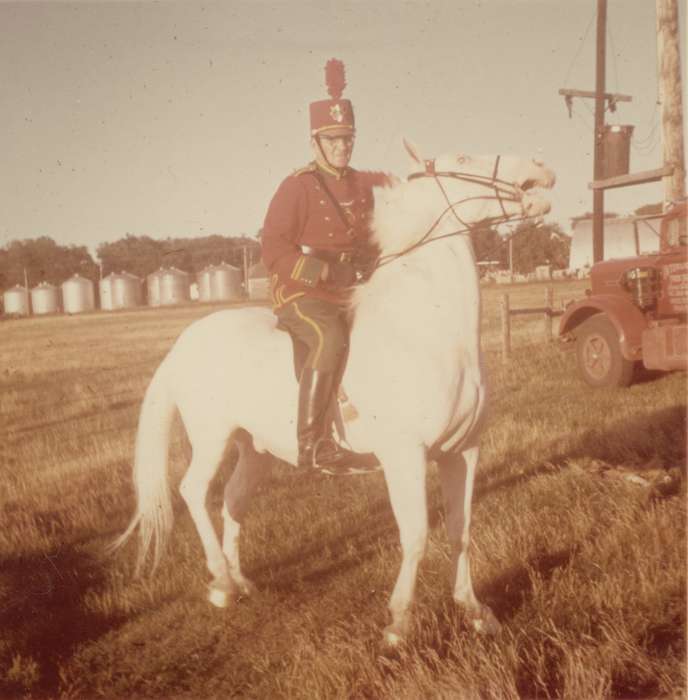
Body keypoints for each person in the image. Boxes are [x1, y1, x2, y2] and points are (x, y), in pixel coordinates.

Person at [261, 59, 390, 471]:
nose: (341, 147)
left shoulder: (360, 183)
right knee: (329, 337)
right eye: (332, 140)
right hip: (303, 292)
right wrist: (322, 272)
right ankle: (314, 446)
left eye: (347, 139)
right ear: (315, 142)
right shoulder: (297, 186)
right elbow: (273, 248)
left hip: (348, 287)